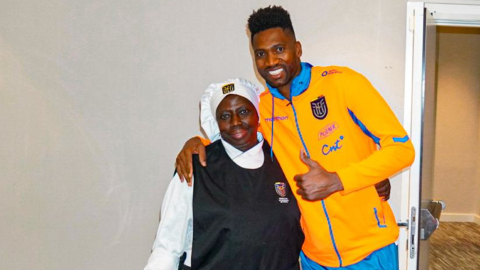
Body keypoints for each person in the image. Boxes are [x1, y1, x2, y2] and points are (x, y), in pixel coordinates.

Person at [175, 6, 415, 270]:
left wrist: (339, 180)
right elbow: (237, 138)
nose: (271, 62)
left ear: (298, 48)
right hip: (312, 260)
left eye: (280, 49)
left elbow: (402, 150)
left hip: (370, 253)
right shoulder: (262, 108)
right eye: (261, 54)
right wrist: (198, 143)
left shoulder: (342, 83)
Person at [144, 78, 304, 270]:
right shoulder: (195, 167)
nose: (235, 122)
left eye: (243, 112)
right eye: (225, 116)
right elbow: (167, 247)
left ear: (258, 114)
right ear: (216, 122)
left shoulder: (283, 158)